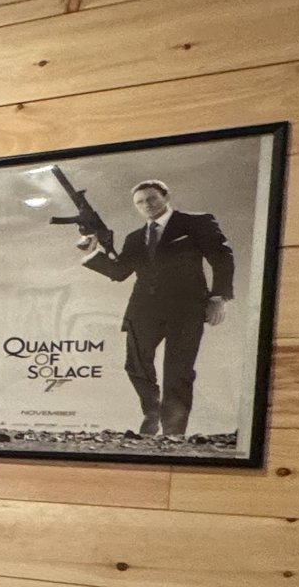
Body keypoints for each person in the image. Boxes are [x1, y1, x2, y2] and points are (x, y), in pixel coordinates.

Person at [77, 178, 233, 439]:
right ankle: (152, 412)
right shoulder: (135, 238)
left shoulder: (195, 223)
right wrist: (92, 253)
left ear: (165, 196)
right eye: (140, 202)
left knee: (179, 370)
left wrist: (219, 297)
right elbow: (119, 272)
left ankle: (173, 432)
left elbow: (221, 256)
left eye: (151, 198)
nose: (146, 205)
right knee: (135, 366)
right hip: (143, 311)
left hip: (186, 309)